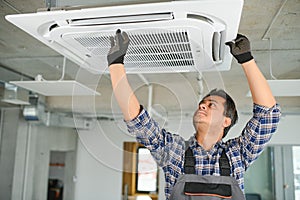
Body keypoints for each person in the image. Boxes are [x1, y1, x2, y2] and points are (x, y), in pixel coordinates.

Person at [107, 29, 281, 199]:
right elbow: (138, 121)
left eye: (211, 105)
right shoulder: (174, 152)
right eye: (202, 104)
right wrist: (115, 63)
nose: (202, 106)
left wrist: (247, 60)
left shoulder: (238, 154)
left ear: (226, 121)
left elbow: (268, 115)